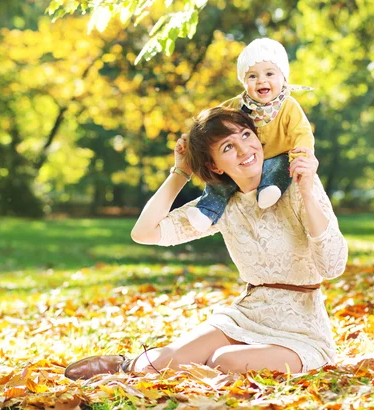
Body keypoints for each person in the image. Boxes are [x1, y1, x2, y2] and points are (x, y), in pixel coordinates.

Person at [64, 107, 348, 380]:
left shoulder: (299, 184)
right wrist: (180, 173)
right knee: (155, 366)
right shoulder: (218, 207)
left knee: (225, 360)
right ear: (214, 165)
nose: (243, 150)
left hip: (301, 330)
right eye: (227, 147)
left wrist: (308, 194)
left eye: (246, 135)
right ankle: (125, 366)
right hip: (247, 316)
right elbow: (144, 232)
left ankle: (209, 362)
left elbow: (333, 266)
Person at [186, 38, 314, 232]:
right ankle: (206, 212)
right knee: (222, 181)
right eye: (252, 76)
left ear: (284, 78)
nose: (261, 80)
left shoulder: (288, 106)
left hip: (277, 157)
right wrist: (190, 140)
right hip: (245, 162)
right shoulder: (235, 105)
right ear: (244, 82)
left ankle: (269, 189)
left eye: (270, 73)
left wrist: (301, 157)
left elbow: (302, 133)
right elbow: (210, 124)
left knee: (281, 166)